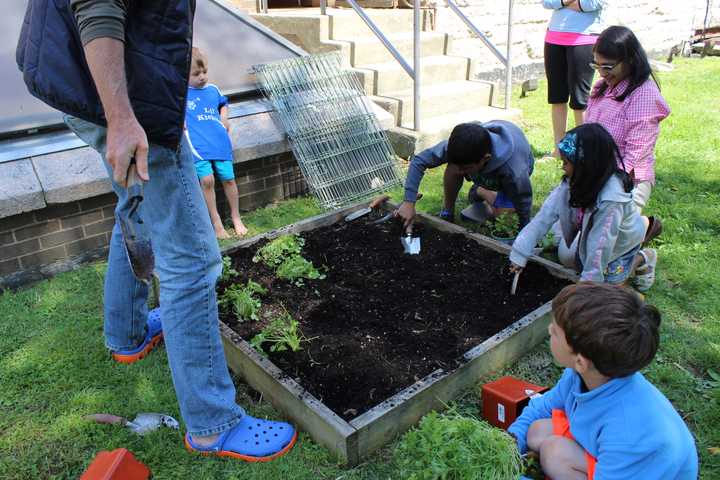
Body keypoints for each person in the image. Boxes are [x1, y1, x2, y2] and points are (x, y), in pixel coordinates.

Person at [16, 0, 297, 461]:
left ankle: (127, 336)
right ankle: (213, 424)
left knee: (136, 204)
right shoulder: (127, 109)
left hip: (84, 83)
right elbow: (97, 7)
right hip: (127, 104)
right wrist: (123, 119)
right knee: (192, 261)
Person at [508, 283, 698, 479]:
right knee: (537, 431)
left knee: (554, 451)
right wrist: (509, 443)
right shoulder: (583, 374)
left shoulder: (629, 434)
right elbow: (544, 407)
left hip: (636, 469)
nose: (549, 330)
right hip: (610, 451)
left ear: (581, 361)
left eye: (555, 332)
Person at [509, 124, 656, 290]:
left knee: (610, 286)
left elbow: (601, 244)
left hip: (620, 243)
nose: (562, 166)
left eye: (566, 162)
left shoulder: (611, 199)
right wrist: (519, 253)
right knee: (578, 263)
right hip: (597, 235)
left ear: (586, 166)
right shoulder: (572, 182)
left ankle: (643, 258)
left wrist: (587, 285)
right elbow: (544, 216)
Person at [585, 26, 670, 241]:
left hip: (626, 180)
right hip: (595, 174)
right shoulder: (601, 87)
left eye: (608, 66)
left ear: (629, 60)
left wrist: (600, 186)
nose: (602, 73)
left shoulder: (643, 95)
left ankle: (642, 232)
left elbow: (633, 156)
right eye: (597, 65)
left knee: (593, 248)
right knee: (567, 246)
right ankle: (631, 227)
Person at [396, 121, 534, 229]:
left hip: (508, 175)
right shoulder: (461, 146)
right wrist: (409, 202)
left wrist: (525, 231)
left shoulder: (513, 170)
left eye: (466, 168)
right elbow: (419, 161)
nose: (461, 172)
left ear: (485, 158)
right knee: (453, 167)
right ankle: (447, 212)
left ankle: (482, 190)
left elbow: (523, 199)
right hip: (483, 168)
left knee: (504, 217)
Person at [185, 47, 248, 240]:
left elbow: (223, 104)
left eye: (204, 72)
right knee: (207, 181)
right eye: (196, 74)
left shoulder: (213, 90)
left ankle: (236, 217)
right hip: (197, 144)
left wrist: (224, 118)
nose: (202, 77)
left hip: (218, 141)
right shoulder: (181, 94)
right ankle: (216, 222)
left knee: (228, 178)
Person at [541, 0, 608, 158]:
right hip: (553, 37)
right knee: (557, 97)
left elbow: (592, 4)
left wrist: (561, 3)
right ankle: (559, 149)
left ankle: (584, 149)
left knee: (580, 99)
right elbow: (547, 2)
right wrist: (566, 2)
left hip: (584, 38)